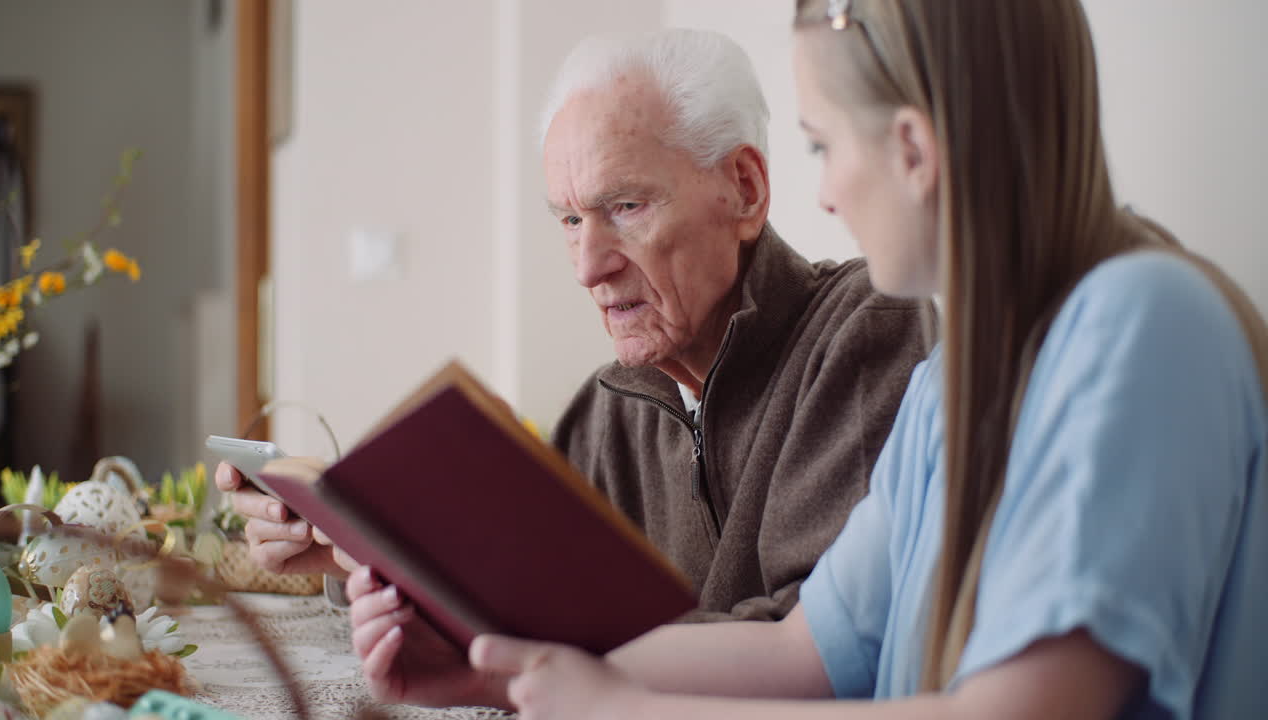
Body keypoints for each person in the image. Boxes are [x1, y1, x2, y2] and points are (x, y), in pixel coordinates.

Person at [381, 0, 1262, 717]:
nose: (827, 193)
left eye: (821, 144)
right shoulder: (955, 385)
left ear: (913, 151)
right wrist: (502, 670)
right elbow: (801, 653)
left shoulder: (1142, 322)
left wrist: (623, 708)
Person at [220, 28, 929, 706]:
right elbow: (518, 606)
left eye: (625, 206)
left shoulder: (863, 334)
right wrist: (353, 552)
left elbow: (817, 654)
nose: (589, 267)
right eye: (567, 220)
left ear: (744, 189)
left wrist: (543, 652)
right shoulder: (606, 411)